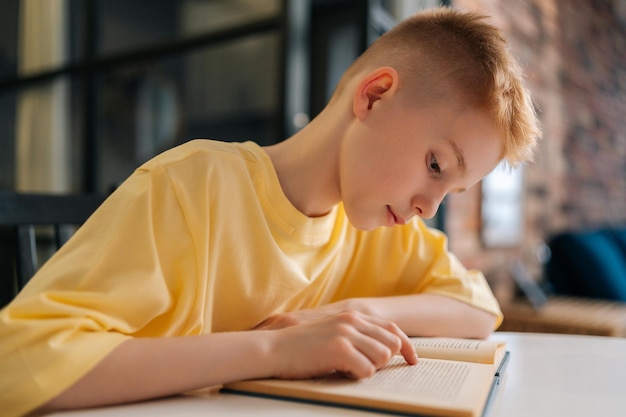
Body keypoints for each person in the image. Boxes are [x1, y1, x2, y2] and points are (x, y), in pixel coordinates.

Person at [1, 7, 540, 417]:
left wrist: (352, 314)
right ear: (374, 97)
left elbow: (476, 305)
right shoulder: (193, 188)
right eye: (435, 164)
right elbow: (16, 362)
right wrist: (276, 348)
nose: (428, 207)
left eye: (452, 192)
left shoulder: (379, 227)